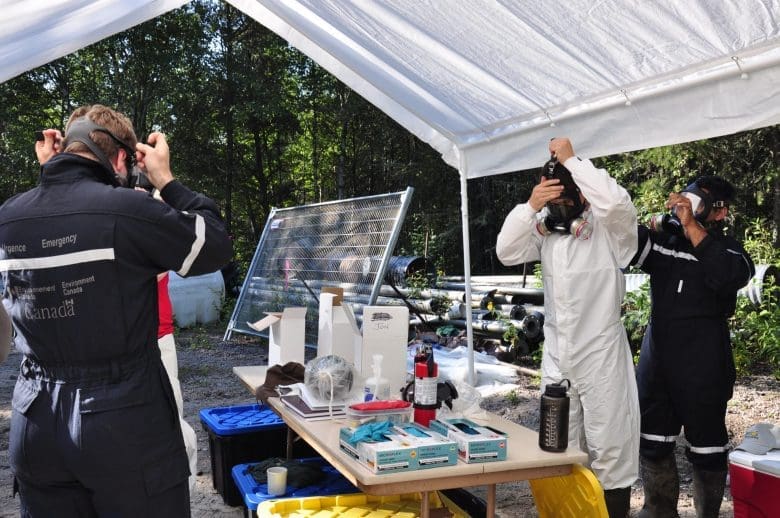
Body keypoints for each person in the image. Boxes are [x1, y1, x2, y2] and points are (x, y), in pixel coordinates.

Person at [0, 104, 232, 517]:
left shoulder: (8, 218)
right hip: (122, 420)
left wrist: (49, 175)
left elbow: (55, 216)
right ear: (123, 157)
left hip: (35, 415)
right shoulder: (127, 210)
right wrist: (166, 179)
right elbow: (213, 243)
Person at [496, 137, 639, 518]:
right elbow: (506, 251)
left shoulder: (610, 230)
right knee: (556, 443)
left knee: (611, 448)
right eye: (553, 205)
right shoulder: (549, 236)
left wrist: (574, 162)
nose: (559, 213)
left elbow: (618, 203)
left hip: (600, 353)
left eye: (565, 203)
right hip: (558, 357)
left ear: (583, 198)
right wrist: (531, 207)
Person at [632, 176, 754, 518]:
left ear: (720, 212)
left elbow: (731, 275)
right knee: (652, 443)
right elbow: (624, 239)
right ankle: (658, 510)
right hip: (659, 358)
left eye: (699, 202)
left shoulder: (731, 250)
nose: (689, 206)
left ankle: (707, 514)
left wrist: (691, 228)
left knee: (708, 448)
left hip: (705, 360)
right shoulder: (663, 244)